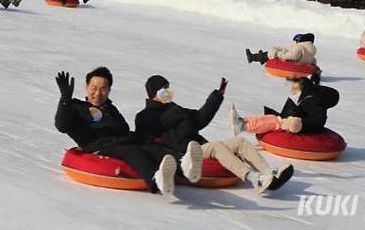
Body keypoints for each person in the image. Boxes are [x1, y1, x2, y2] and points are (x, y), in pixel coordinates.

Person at [54, 67, 203, 196]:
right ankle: (154, 179)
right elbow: (62, 125)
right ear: (86, 87)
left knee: (151, 146)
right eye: (94, 88)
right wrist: (65, 101)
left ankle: (183, 165)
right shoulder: (75, 108)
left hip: (118, 143)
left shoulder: (110, 109)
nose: (98, 93)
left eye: (103, 89)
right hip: (97, 148)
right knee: (131, 151)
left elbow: (123, 129)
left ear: (109, 90)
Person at [135, 75, 293, 193]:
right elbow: (149, 139)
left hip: (199, 147)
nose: (168, 92)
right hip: (185, 154)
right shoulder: (145, 116)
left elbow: (199, 119)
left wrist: (217, 96)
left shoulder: (175, 109)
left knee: (239, 142)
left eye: (168, 88)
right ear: (154, 93)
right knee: (216, 146)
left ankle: (268, 173)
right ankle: (255, 179)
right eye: (164, 89)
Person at [229, 77, 339, 137]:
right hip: (290, 121)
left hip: (295, 126)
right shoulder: (306, 99)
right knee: (273, 118)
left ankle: (243, 126)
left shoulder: (314, 103)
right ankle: (242, 121)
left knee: (274, 121)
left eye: (298, 88)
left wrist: (300, 123)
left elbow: (318, 120)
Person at [246, 33, 317, 66]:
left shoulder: (299, 48)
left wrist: (279, 54)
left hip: (292, 65)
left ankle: (253, 57)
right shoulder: (310, 53)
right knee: (281, 50)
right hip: (299, 65)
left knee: (273, 52)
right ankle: (260, 57)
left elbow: (292, 56)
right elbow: (313, 63)